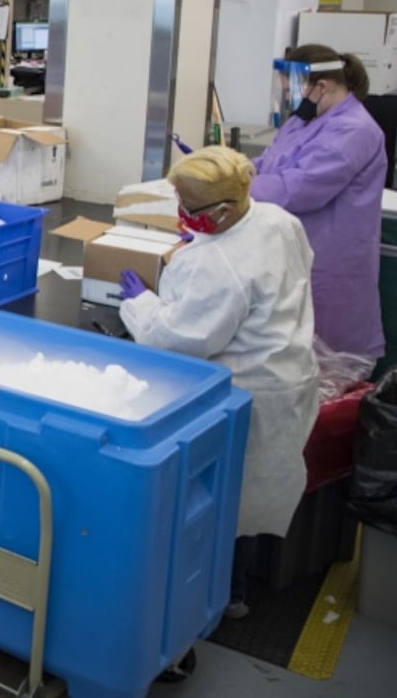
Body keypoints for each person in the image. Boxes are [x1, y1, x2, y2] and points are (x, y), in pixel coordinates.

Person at [118, 147, 318, 620]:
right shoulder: (276, 220)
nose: (183, 215)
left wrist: (140, 303)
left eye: (191, 208)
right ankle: (235, 588)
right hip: (288, 374)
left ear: (225, 208)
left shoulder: (216, 266)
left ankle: (213, 595)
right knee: (245, 497)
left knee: (220, 496)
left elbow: (177, 340)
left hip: (243, 390)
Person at [252, 44, 387, 361]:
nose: (289, 97)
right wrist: (243, 167)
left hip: (329, 260)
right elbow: (275, 160)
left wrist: (234, 187)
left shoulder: (354, 130)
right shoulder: (306, 120)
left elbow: (298, 188)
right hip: (295, 249)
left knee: (324, 362)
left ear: (320, 87)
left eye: (291, 89)